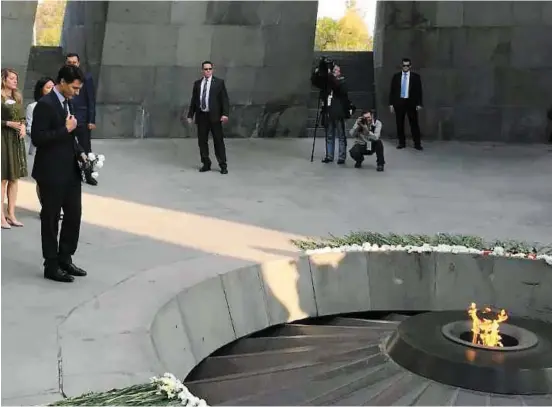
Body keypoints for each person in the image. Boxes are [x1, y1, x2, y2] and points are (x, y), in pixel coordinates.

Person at [31, 65, 88, 283]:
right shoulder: (45, 105)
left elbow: (70, 135)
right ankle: (51, 264)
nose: (77, 92)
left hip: (71, 169)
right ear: (62, 82)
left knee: (74, 215)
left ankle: (66, 257)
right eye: (74, 87)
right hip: (51, 172)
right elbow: (38, 138)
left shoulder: (68, 101)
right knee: (51, 218)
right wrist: (66, 129)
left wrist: (81, 152)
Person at [185, 60, 230, 174]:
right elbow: (194, 101)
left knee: (218, 141)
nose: (208, 71)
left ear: (212, 70)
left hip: (215, 117)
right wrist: (190, 114)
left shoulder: (219, 83)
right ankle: (206, 163)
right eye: (206, 69)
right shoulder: (198, 84)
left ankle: (223, 165)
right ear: (202, 71)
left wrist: (225, 114)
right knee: (202, 142)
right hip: (202, 116)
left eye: (210, 69)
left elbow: (224, 99)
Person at [65, 52, 98, 185]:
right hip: (67, 118)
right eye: (69, 63)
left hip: (83, 119)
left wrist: (91, 120)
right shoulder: (63, 78)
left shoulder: (87, 78)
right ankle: (70, 174)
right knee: (68, 146)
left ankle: (88, 174)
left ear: (78, 63)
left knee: (85, 147)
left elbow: (91, 100)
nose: (72, 65)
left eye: (74, 62)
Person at [1, 68, 28, 229]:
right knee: (2, 178)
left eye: (16, 78)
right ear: (3, 79)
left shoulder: (17, 96)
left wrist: (23, 126)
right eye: (11, 78)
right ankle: (0, 216)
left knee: (14, 178)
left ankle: (11, 214)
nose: (15, 81)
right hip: (2, 138)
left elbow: (22, 117)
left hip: (15, 140)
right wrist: (7, 123)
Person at [388, 57, 423, 150]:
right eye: (404, 65)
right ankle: (401, 143)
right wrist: (391, 104)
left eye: (407, 65)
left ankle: (417, 143)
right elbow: (392, 91)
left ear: (410, 66)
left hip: (411, 103)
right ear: (401, 66)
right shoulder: (396, 77)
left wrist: (419, 104)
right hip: (399, 103)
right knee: (399, 124)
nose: (405, 67)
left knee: (414, 124)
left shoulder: (415, 77)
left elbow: (419, 91)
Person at [321, 64, 350, 165]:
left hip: (339, 112)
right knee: (329, 135)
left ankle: (341, 157)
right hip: (329, 111)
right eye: (335, 70)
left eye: (337, 71)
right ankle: (329, 156)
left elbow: (339, 89)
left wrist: (330, 76)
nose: (336, 72)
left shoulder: (342, 81)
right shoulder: (328, 84)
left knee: (341, 135)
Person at [27, 77, 55, 156]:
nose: (52, 90)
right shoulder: (32, 107)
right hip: (39, 147)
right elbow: (29, 129)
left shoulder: (61, 104)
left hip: (56, 148)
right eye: (48, 87)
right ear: (41, 90)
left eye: (53, 87)